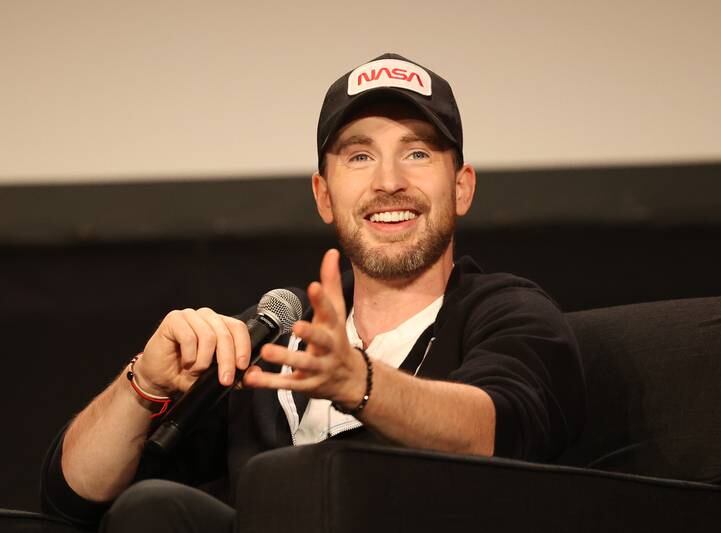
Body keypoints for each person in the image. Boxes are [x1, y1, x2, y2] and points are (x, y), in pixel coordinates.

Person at [41, 53, 586, 532]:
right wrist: (144, 387)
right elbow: (73, 502)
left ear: (462, 186)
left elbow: (499, 430)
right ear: (323, 195)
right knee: (154, 508)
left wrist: (360, 382)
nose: (388, 181)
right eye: (359, 156)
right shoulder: (272, 335)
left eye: (417, 153)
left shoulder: (511, 314)